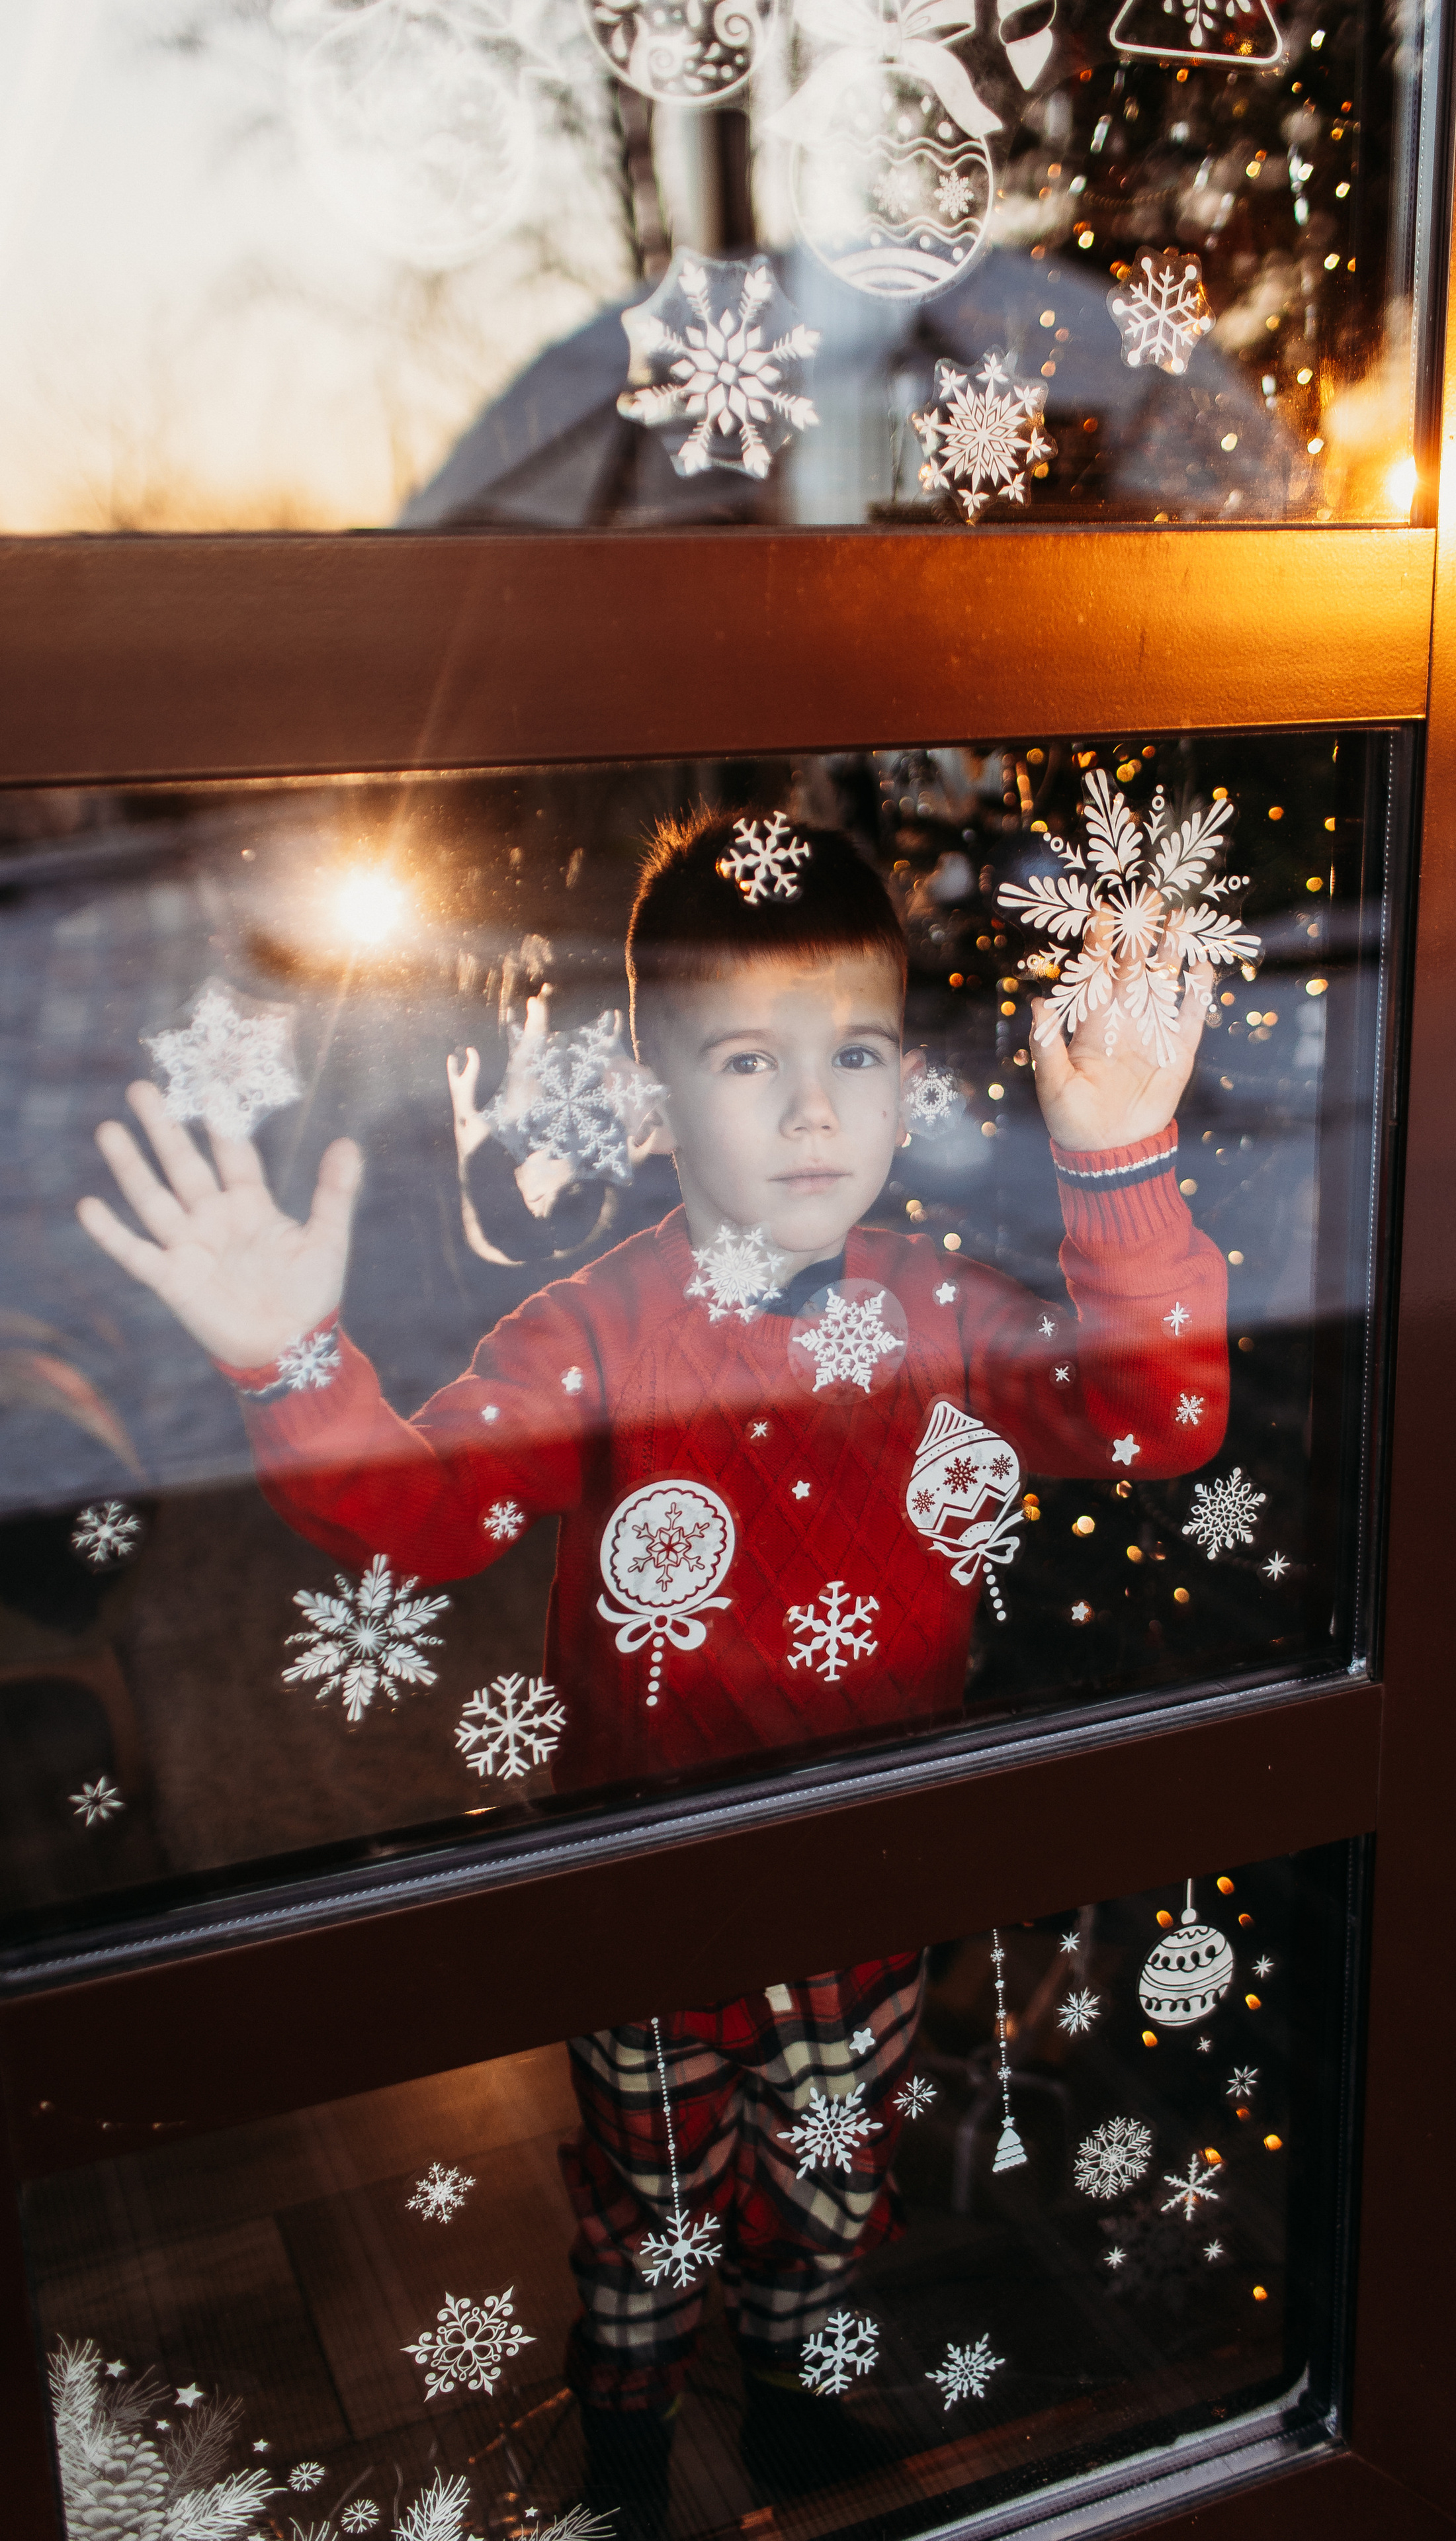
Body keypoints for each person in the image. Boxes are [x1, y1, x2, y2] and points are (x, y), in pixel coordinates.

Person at [76, 809, 1229, 2523]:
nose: (817, 1108)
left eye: (854, 1049)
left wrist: (1121, 1163)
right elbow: (427, 1514)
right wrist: (289, 1361)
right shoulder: (590, 1328)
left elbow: (1158, 1415)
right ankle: (623, 2434)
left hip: (865, 1883)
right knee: (652, 2197)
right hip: (647, 1892)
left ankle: (782, 2400)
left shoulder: (941, 1307)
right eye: (748, 1059)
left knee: (829, 2185)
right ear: (655, 1085)